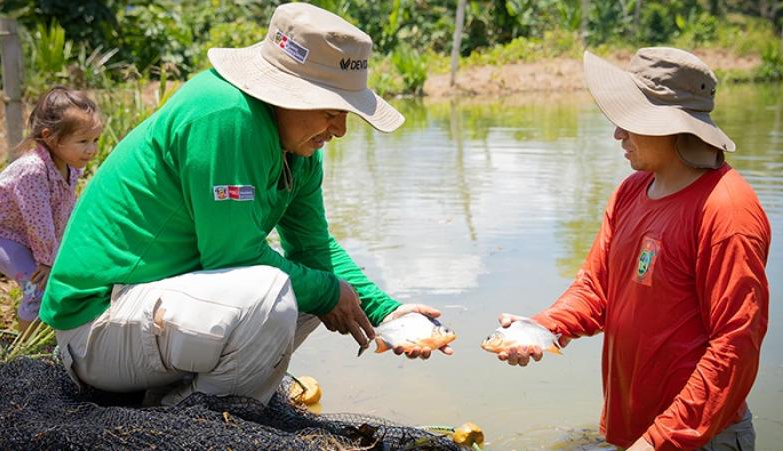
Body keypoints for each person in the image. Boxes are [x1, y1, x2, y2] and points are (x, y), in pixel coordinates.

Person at [39, 2, 452, 407]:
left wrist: (387, 312)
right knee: (274, 292)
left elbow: (313, 249)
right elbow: (232, 256)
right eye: (331, 110)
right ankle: (188, 423)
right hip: (96, 327)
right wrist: (328, 292)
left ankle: (183, 399)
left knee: (310, 289)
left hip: (154, 312)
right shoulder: (226, 115)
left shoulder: (300, 150)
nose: (341, 129)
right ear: (286, 93)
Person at [493, 47, 770, 450]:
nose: (617, 134)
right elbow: (597, 288)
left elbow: (735, 346)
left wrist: (657, 440)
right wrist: (543, 328)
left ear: (673, 126)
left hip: (697, 437)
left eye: (629, 121)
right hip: (635, 430)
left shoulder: (727, 212)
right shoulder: (632, 191)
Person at [0, 87, 102, 331]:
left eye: (95, 140)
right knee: (36, 286)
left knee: (47, 280)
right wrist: (48, 261)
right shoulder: (33, 171)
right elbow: (38, 223)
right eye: (83, 141)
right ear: (50, 137)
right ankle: (26, 354)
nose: (92, 149)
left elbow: (63, 211)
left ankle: (46, 333)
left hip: (20, 231)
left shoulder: (70, 167)